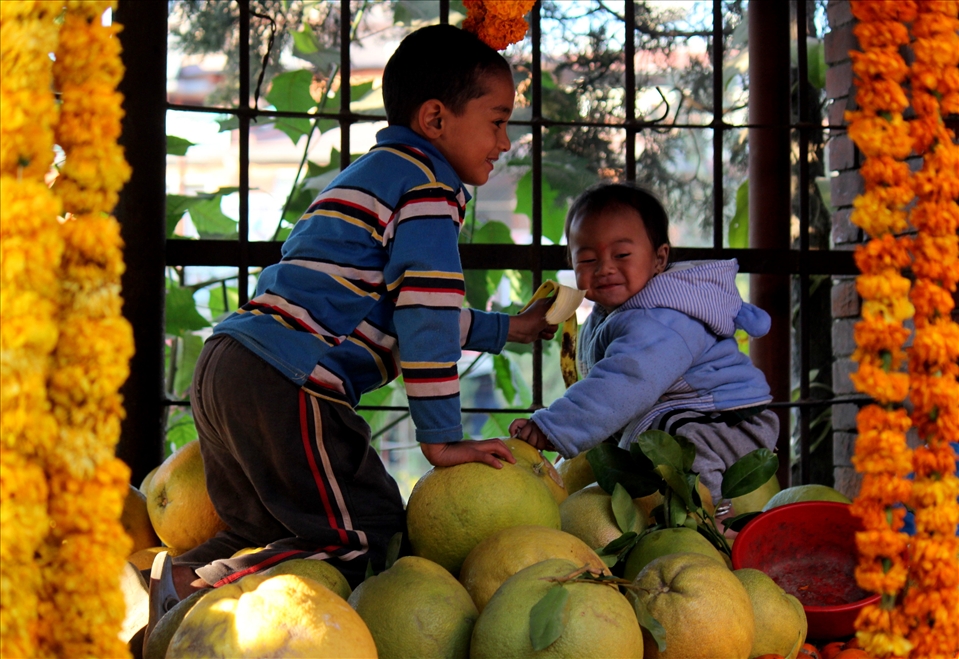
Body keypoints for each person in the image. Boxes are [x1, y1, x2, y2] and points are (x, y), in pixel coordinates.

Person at [167, 24, 556, 599]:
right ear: (435, 118)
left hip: (232, 361)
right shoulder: (429, 190)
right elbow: (425, 319)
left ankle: (154, 592)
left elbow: (398, 308)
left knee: (259, 532)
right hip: (290, 382)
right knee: (368, 537)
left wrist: (509, 328)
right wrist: (442, 439)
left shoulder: (372, 176)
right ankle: (185, 590)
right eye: (497, 122)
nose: (505, 142)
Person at [509, 182, 779, 505]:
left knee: (674, 444)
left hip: (726, 422)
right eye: (588, 259)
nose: (605, 268)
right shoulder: (613, 312)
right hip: (690, 414)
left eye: (622, 255)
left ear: (659, 258)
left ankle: (714, 515)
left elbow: (620, 385)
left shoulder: (661, 318)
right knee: (645, 445)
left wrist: (554, 427)